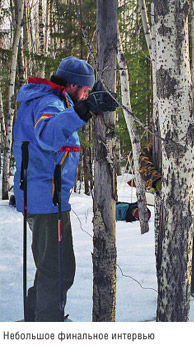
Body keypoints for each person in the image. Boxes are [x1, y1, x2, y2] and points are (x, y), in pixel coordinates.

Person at [13, 56, 118, 321]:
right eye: (84, 90)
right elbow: (48, 135)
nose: (85, 96)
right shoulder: (49, 102)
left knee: (53, 267)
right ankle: (47, 324)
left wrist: (84, 106)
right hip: (45, 199)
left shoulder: (52, 99)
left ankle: (38, 315)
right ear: (71, 85)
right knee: (57, 271)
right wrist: (83, 111)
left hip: (46, 196)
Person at [139, 114, 194, 298]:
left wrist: (172, 181)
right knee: (169, 244)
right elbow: (143, 158)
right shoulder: (162, 141)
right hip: (169, 206)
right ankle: (169, 281)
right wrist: (157, 181)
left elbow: (193, 173)